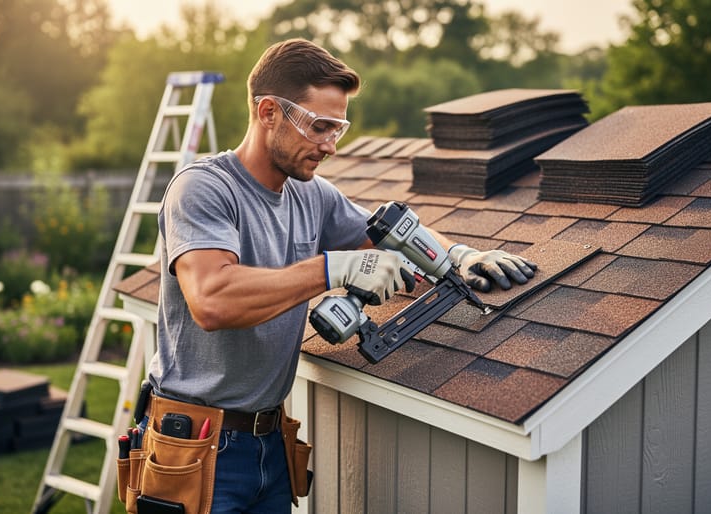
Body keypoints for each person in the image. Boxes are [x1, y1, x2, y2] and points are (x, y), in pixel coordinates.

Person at [147, 38, 536, 513]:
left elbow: (390, 235)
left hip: (269, 442)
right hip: (197, 446)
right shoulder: (203, 189)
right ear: (269, 111)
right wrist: (336, 266)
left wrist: (458, 255)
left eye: (339, 128)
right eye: (320, 126)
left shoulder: (312, 196)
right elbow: (212, 301)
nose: (331, 145)